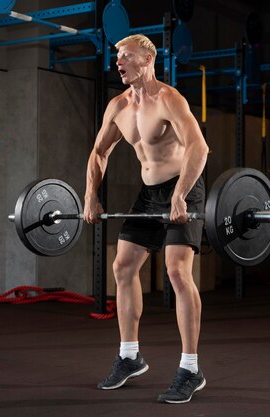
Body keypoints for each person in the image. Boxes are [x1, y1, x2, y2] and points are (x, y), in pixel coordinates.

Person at [83, 34, 209, 404]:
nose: (118, 61)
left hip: (183, 188)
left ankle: (190, 368)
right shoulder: (118, 106)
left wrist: (182, 194)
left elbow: (199, 147)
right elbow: (98, 152)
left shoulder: (169, 99)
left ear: (147, 58)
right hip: (149, 195)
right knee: (122, 267)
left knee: (176, 271)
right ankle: (129, 356)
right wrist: (91, 193)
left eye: (125, 55)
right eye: (116, 56)